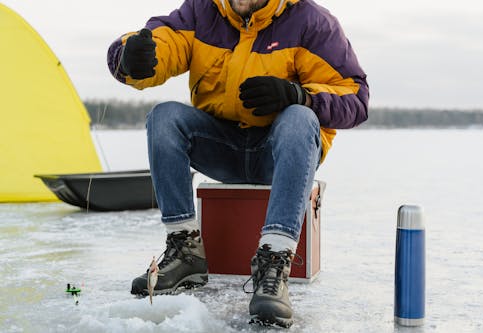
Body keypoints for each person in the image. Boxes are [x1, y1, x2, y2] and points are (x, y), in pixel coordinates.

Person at [107, 0, 368, 327]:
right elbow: (164, 40)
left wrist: (299, 96)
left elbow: (356, 98)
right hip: (223, 148)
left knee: (300, 118)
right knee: (164, 118)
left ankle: (274, 262)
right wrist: (129, 57)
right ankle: (185, 251)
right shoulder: (201, 12)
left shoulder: (312, 21)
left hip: (280, 153)